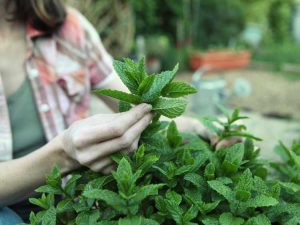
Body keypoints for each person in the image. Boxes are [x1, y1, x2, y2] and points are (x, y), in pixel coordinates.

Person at [0, 0, 235, 223]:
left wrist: (203, 127)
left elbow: (140, 112)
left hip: (71, 203)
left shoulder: (67, 28)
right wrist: (64, 155)